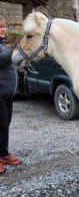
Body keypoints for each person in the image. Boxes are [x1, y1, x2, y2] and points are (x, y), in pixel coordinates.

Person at [0, 16, 21, 174]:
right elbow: (2, 60)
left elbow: (9, 63)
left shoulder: (3, 46)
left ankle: (4, 154)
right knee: (0, 125)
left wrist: (20, 69)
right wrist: (17, 48)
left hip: (8, 93)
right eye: (0, 26)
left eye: (4, 26)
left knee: (5, 125)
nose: (3, 29)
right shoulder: (6, 49)